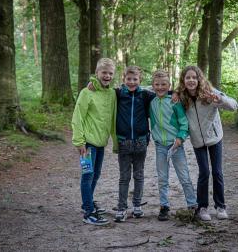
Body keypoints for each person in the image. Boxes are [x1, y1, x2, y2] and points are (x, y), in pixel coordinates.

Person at [176, 65, 238, 221]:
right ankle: (202, 207)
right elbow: (157, 89)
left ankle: (220, 207)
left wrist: (220, 100)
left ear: (199, 79)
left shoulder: (209, 92)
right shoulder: (182, 97)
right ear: (183, 80)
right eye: (187, 77)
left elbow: (234, 105)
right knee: (204, 173)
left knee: (217, 172)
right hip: (198, 141)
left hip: (215, 138)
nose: (191, 80)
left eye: (194, 77)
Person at [71, 58, 117, 226]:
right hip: (87, 145)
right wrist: (79, 142)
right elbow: (77, 117)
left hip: (101, 144)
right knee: (87, 176)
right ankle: (89, 213)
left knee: (96, 175)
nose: (107, 76)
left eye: (110, 73)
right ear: (97, 73)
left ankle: (87, 203)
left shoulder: (111, 93)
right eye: (104, 72)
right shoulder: (86, 92)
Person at [149, 70, 198, 221]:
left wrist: (180, 138)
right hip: (160, 146)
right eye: (157, 85)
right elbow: (138, 87)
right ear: (152, 86)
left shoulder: (175, 102)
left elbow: (184, 123)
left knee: (184, 176)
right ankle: (164, 206)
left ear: (169, 85)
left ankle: (192, 205)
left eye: (164, 84)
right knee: (162, 178)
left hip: (176, 146)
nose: (160, 87)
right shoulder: (151, 102)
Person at [113, 66, 155, 222]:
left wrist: (175, 93)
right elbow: (101, 90)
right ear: (123, 79)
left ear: (140, 80)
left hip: (141, 141)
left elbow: (162, 92)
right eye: (128, 79)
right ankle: (121, 207)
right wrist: (92, 84)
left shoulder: (145, 95)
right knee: (124, 177)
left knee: (139, 175)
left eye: (135, 79)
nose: (131, 82)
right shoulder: (117, 94)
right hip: (123, 141)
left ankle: (137, 206)